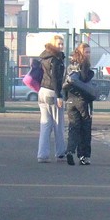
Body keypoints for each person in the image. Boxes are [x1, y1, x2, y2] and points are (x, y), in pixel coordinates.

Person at [62, 43, 94, 166]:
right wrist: (91, 73)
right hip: (83, 100)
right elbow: (85, 79)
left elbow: (64, 82)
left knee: (73, 127)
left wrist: (65, 98)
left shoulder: (70, 65)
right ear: (81, 52)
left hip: (70, 100)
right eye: (87, 52)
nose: (89, 54)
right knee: (85, 128)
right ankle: (84, 156)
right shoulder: (84, 64)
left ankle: (70, 150)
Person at [37, 34, 66, 163]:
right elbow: (55, 78)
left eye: (62, 44)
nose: (61, 46)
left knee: (45, 124)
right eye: (58, 44)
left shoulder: (44, 56)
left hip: (42, 91)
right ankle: (60, 153)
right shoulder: (55, 59)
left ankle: (42, 155)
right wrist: (59, 96)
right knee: (58, 124)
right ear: (53, 44)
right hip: (52, 92)